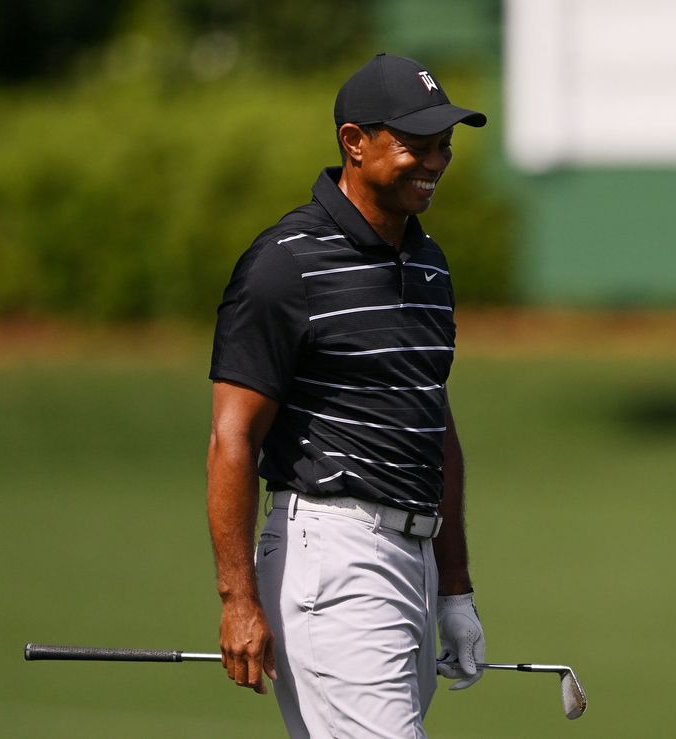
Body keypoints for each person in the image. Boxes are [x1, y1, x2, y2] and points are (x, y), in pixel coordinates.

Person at [206, 53, 489, 738]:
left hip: (412, 562)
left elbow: (431, 420)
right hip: (333, 557)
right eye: (416, 145)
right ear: (354, 143)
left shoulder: (427, 261)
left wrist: (455, 585)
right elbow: (232, 436)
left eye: (444, 145)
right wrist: (238, 598)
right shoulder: (286, 263)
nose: (435, 161)